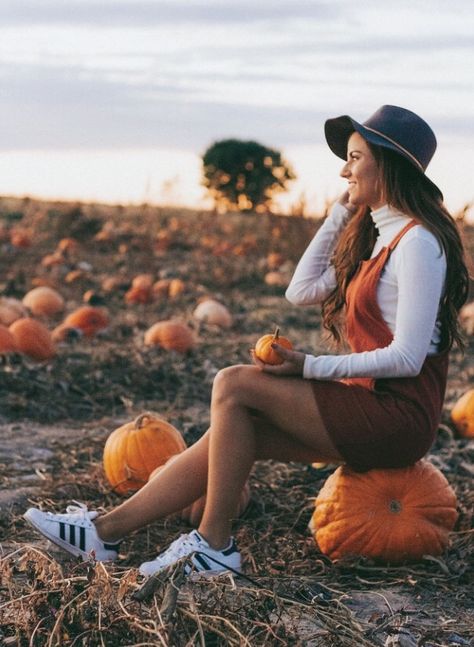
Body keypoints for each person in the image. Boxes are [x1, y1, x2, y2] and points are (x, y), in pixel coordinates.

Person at [24, 105, 469, 578]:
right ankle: (104, 533)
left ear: (389, 164)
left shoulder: (418, 244)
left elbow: (407, 357)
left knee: (235, 384)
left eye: (355, 158)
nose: (344, 169)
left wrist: (306, 366)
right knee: (235, 432)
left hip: (397, 417)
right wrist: (340, 213)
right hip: (367, 404)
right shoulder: (379, 239)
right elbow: (299, 290)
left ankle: (213, 544)